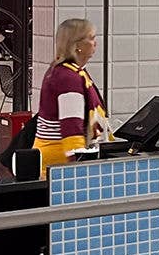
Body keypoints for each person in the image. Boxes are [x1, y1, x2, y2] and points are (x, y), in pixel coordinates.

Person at [35, 18, 109, 176]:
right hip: (59, 162)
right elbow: (71, 126)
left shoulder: (71, 71)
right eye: (91, 38)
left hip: (57, 158)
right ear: (77, 45)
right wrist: (79, 166)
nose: (95, 43)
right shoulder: (68, 77)